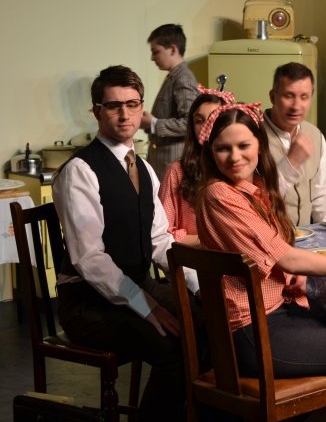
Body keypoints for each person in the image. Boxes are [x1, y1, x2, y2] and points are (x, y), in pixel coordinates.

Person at [194, 103, 326, 379]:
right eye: (223, 149)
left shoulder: (255, 188)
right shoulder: (218, 193)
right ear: (211, 153)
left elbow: (265, 251)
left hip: (278, 312)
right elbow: (286, 257)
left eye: (243, 145)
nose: (235, 157)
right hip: (253, 331)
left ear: (259, 146)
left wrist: (289, 275)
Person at [53, 65, 199, 420]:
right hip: (87, 304)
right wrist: (145, 305)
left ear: (141, 107)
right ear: (96, 111)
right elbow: (90, 258)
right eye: (114, 106)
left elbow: (160, 240)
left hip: (135, 285)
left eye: (132, 104)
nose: (125, 114)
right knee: (173, 347)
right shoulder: (79, 171)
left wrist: (199, 285)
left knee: (209, 320)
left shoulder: (144, 168)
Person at [263, 62, 326, 225]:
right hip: (269, 235)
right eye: (289, 96)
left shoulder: (315, 135)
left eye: (304, 97)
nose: (296, 106)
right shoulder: (252, 135)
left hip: (308, 235)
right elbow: (257, 199)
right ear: (273, 97)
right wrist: (292, 162)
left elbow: (320, 195)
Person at [159, 86, 232, 246]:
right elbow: (162, 233)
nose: (207, 126)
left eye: (215, 118)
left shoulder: (239, 167)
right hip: (194, 258)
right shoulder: (176, 172)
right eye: (199, 121)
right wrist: (207, 241)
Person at [141, 23, 199, 181]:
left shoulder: (183, 77)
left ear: (173, 49)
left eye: (156, 52)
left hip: (172, 164)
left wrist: (153, 123)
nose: (152, 58)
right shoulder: (174, 76)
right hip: (164, 163)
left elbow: (190, 122)